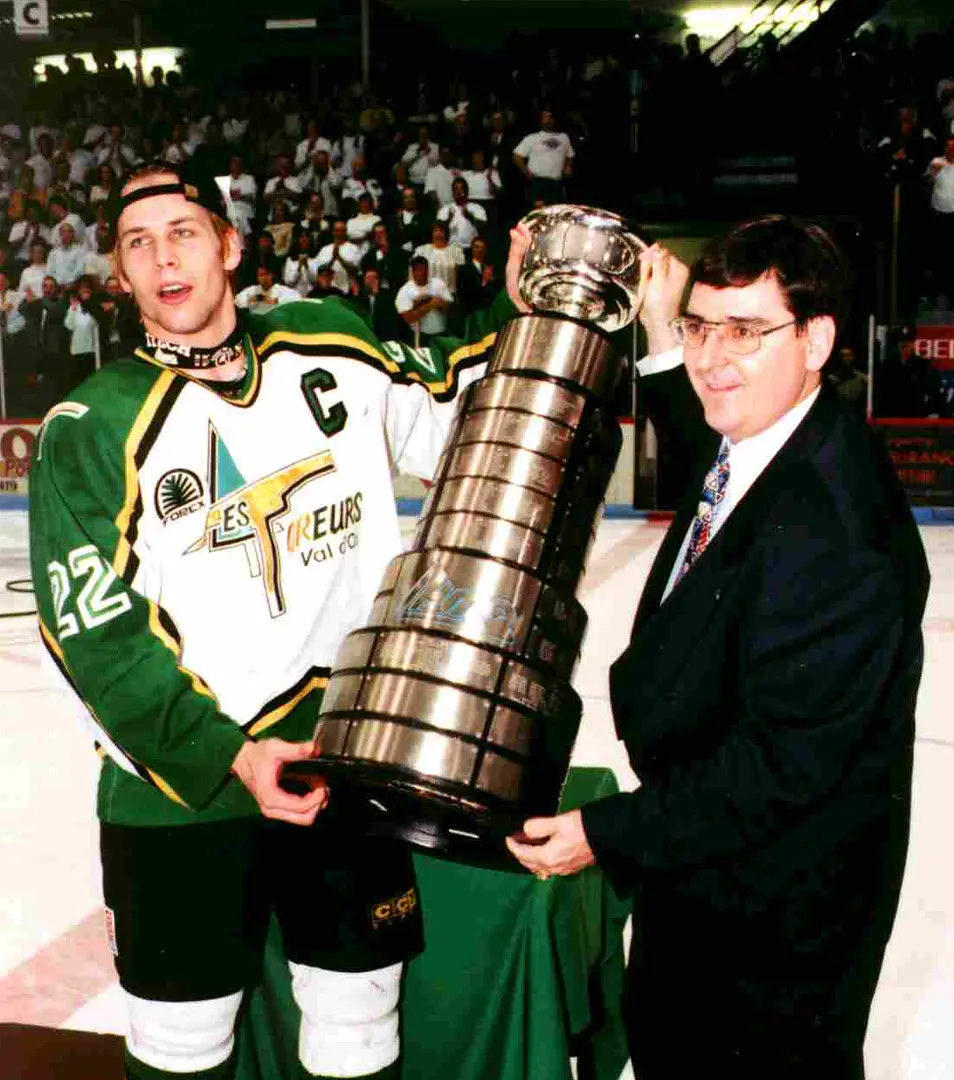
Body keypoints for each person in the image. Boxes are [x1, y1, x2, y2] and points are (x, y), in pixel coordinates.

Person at [28, 162, 523, 1080]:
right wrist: (229, 756)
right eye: (138, 244)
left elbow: (457, 407)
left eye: (182, 232)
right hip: (180, 791)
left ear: (229, 243)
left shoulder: (328, 342)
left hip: (348, 755)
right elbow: (93, 635)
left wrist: (521, 308)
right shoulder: (89, 426)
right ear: (120, 275)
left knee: (359, 1022)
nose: (163, 257)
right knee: (182, 1043)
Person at [508, 216, 930, 1079]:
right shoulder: (769, 435)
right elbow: (706, 427)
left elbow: (779, 768)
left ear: (816, 339)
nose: (711, 359)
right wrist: (664, 323)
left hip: (776, 926)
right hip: (709, 872)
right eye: (701, 328)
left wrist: (605, 832)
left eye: (744, 332)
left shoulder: (839, 532)